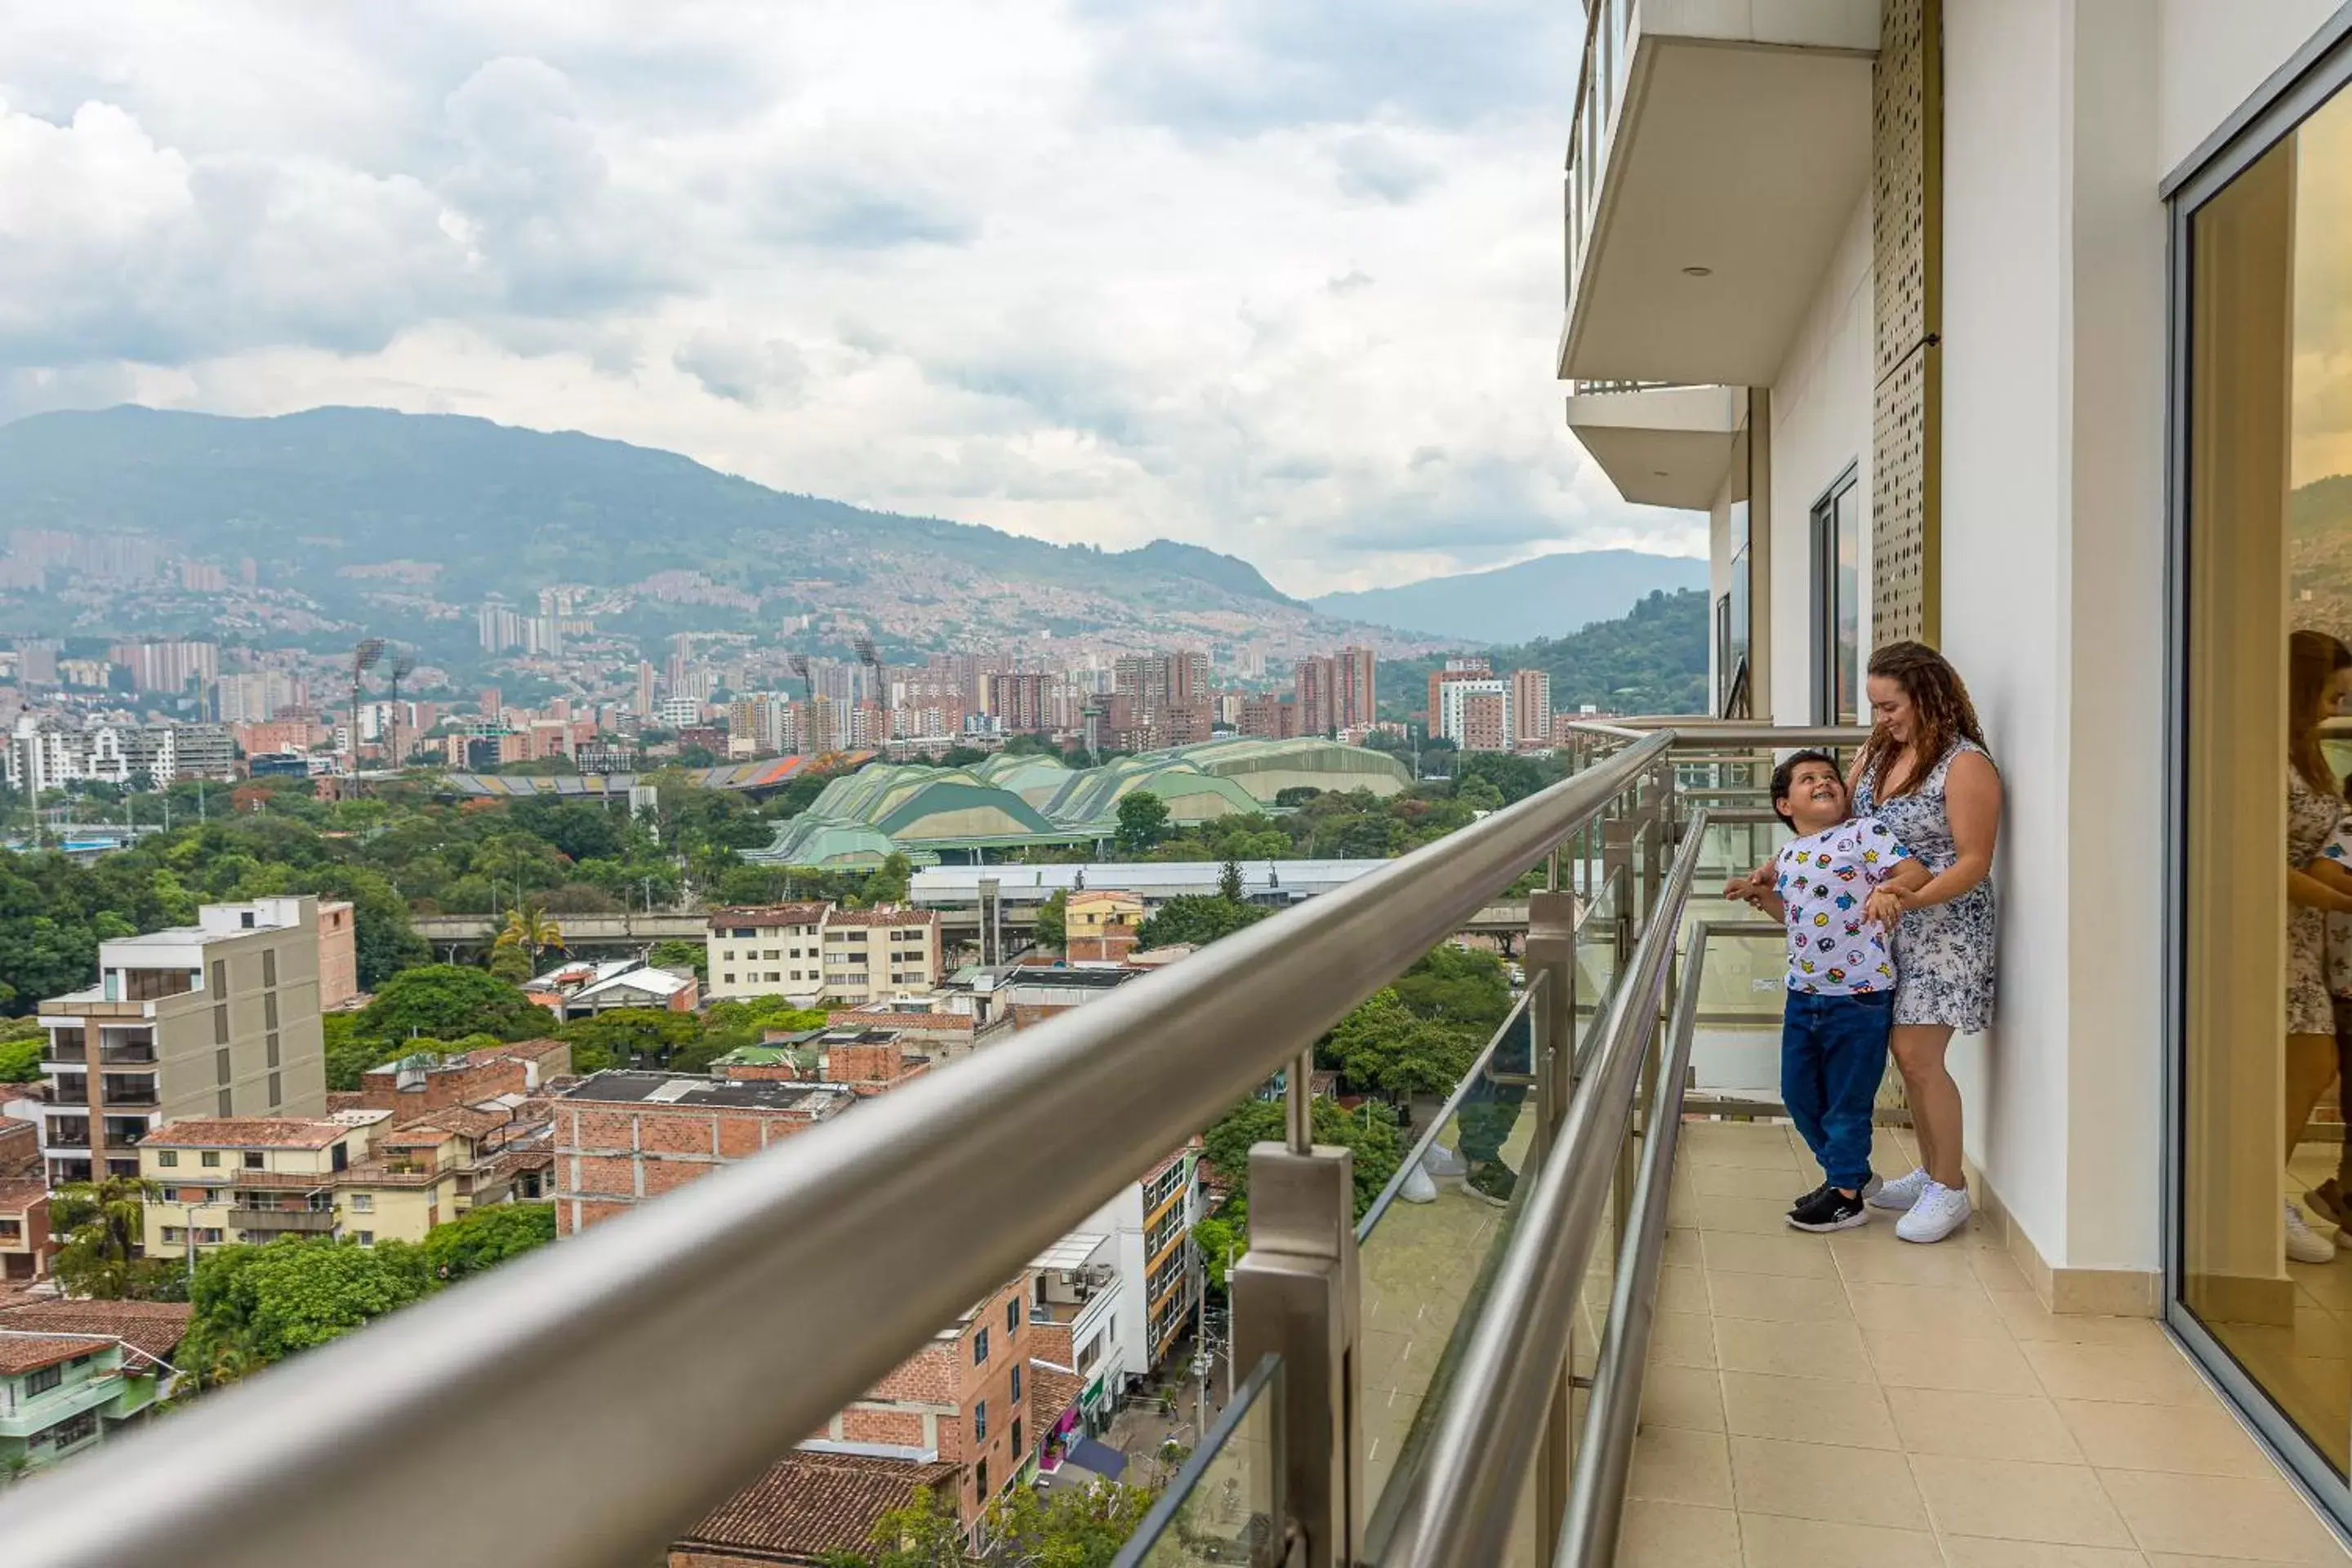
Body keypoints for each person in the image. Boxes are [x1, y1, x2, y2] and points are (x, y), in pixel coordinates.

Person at [1730, 751, 1929, 1232]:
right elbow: (1798, 921)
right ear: (1784, 805)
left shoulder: (1863, 834)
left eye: (1830, 777)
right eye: (1808, 779)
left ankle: (1846, 1195)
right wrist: (1761, 894)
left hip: (1859, 997)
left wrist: (1888, 891)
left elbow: (1916, 873)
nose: (1824, 782)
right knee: (1798, 1095)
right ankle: (1850, 1175)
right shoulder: (1790, 856)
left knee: (1847, 1101)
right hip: (1804, 995)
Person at [2278, 632, 2352, 1261]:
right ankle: (2256, 1195)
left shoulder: (2306, 757)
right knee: (2308, 1062)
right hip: (2274, 929)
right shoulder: (2266, 759)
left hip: (2303, 932)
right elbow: (2253, 853)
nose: (2334, 710)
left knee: (2306, 1064)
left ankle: (2258, 1189)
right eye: (2331, 695)